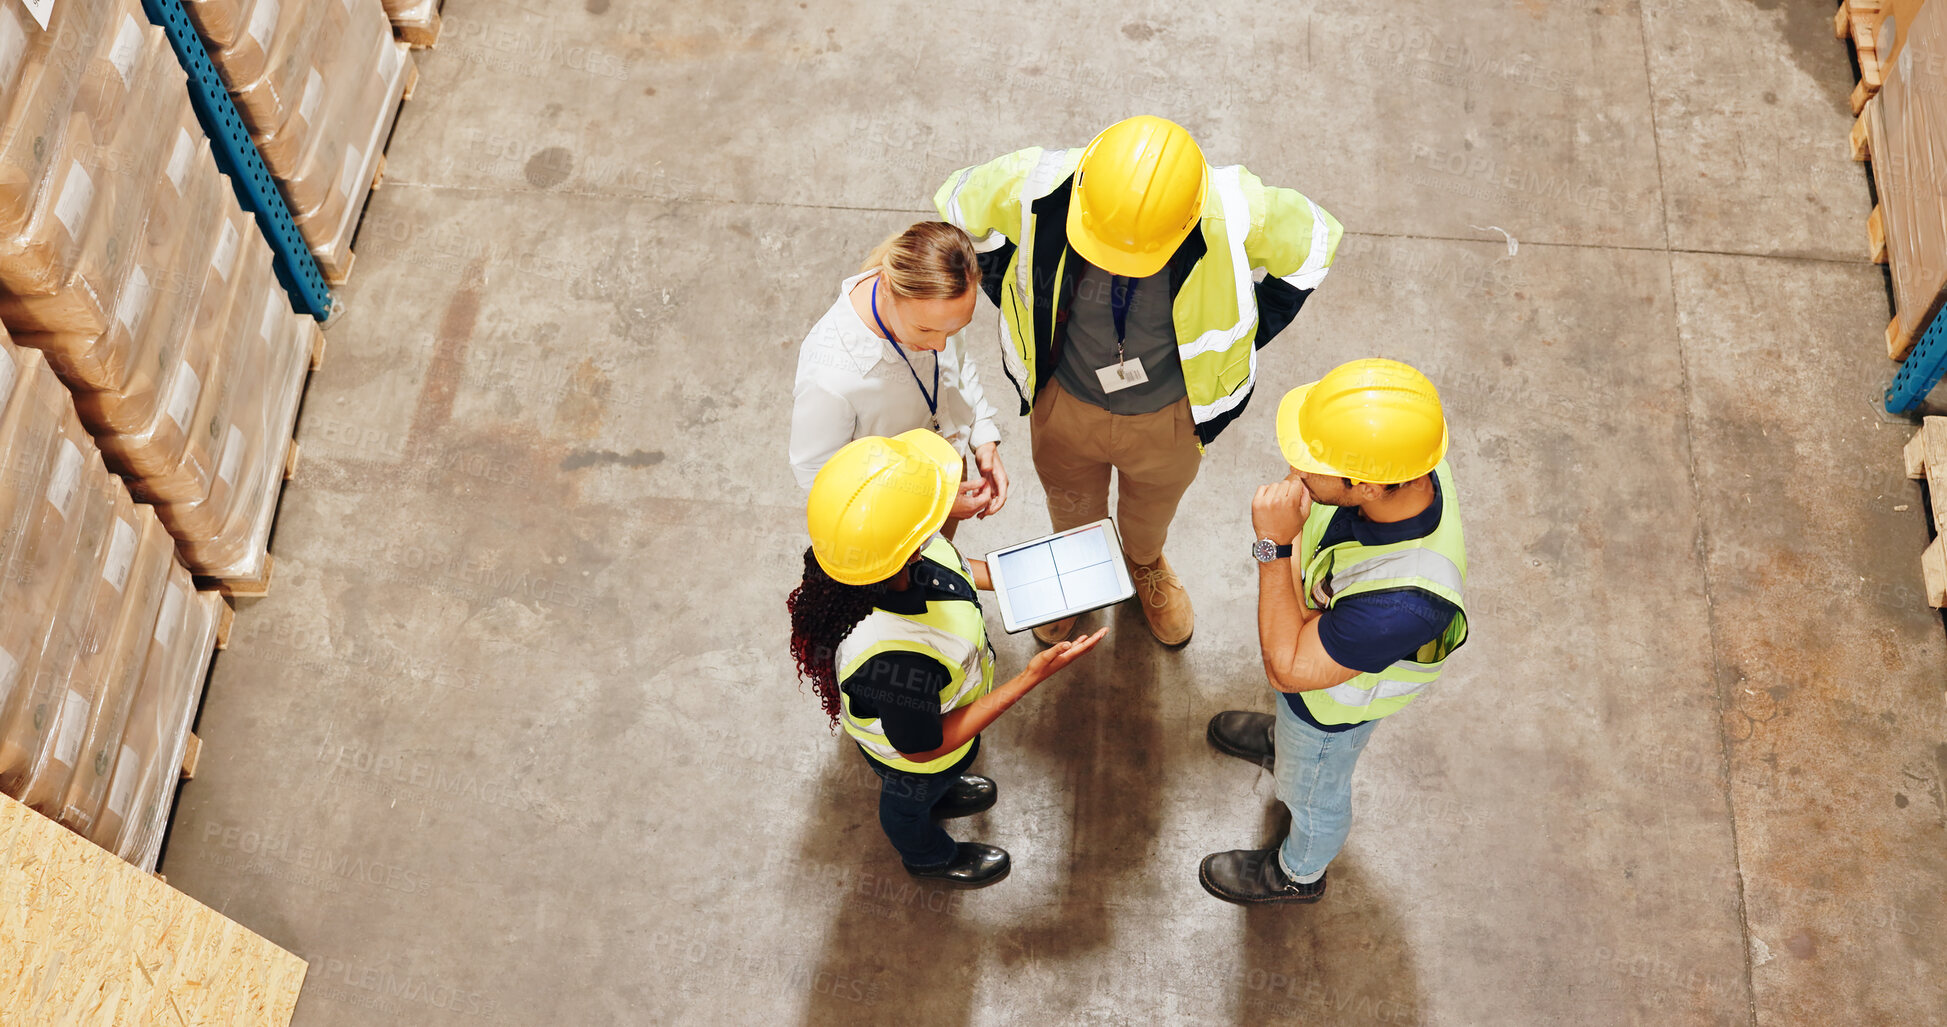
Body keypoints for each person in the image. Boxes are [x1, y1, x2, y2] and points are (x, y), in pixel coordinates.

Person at [934, 115, 1342, 646]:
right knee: (1070, 504)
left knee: (1151, 511)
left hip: (1169, 416)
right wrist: (1013, 300)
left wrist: (1247, 334)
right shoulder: (1037, 182)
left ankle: (1144, 561)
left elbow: (1314, 244)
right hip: (1064, 399)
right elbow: (960, 207)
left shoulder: (1236, 206)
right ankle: (1078, 573)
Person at [1200, 359, 1468, 905]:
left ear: (1366, 485)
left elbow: (1289, 668)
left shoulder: (1406, 603)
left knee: (1312, 792)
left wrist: (1273, 545)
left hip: (1330, 710)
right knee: (1292, 734)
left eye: (1310, 462)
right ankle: (1282, 744)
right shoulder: (1408, 462)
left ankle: (1298, 873)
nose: (1293, 471)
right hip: (1316, 664)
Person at [788, 430, 1105, 887]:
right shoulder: (892, 663)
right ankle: (928, 857)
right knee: (911, 802)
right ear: (905, 547)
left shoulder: (884, 558)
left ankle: (943, 793)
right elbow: (924, 749)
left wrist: (1037, 576)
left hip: (934, 723)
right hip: (917, 758)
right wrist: (1032, 677)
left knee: (944, 777)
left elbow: (954, 568)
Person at [790, 222, 1010, 528]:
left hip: (947, 478)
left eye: (955, 330)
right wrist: (931, 504)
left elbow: (958, 366)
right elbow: (820, 480)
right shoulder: (830, 377)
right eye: (925, 330)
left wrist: (983, 438)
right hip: (892, 516)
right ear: (886, 288)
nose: (939, 345)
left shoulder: (936, 309)